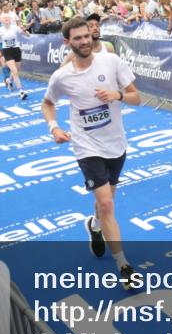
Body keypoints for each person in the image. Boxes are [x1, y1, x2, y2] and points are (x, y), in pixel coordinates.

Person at [42, 18, 141, 289]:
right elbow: (48, 104)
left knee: (105, 203)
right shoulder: (62, 76)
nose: (84, 41)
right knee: (108, 204)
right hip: (86, 146)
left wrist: (117, 95)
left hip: (115, 144)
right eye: (78, 38)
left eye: (87, 36)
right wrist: (54, 128)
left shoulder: (111, 62)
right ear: (67, 42)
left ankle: (95, 225)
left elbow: (137, 97)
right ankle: (124, 266)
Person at [0, 12, 28, 100]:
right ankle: (21, 91)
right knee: (15, 71)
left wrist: (26, 33)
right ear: (1, 20)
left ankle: (9, 80)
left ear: (10, 19)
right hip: (7, 51)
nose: (6, 20)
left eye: (7, 18)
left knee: (17, 70)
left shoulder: (15, 27)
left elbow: (24, 33)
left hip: (16, 50)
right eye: (4, 18)